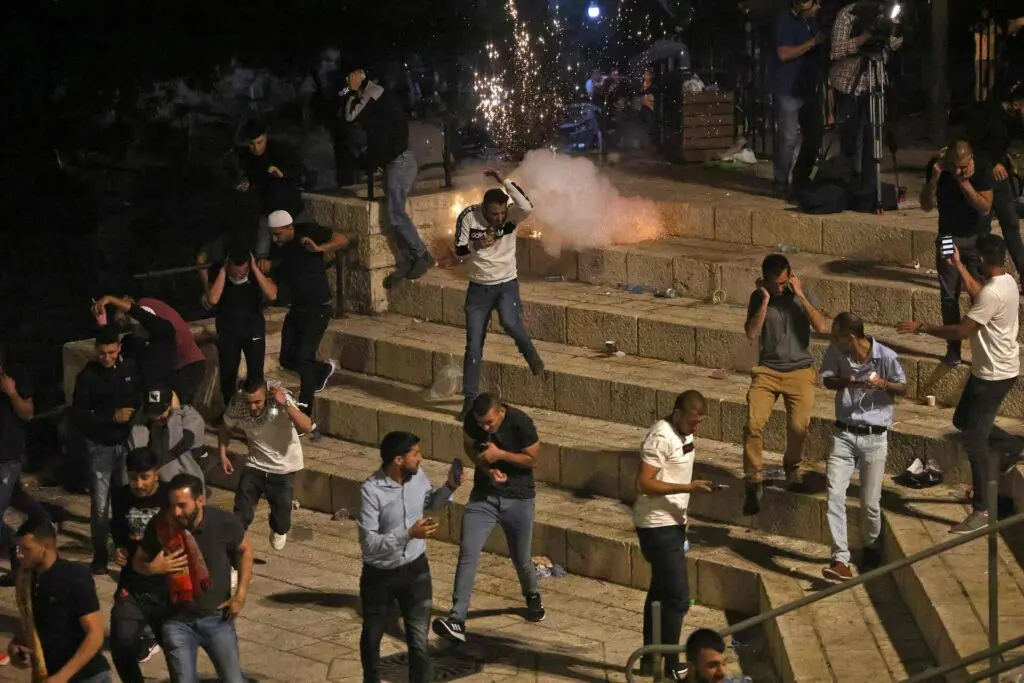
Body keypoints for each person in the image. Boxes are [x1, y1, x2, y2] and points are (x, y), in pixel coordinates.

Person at [898, 235, 1019, 533]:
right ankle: (1009, 445)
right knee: (962, 418)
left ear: (983, 259)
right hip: (990, 371)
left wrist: (923, 327)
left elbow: (963, 330)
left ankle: (982, 511)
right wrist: (959, 267)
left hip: (994, 376)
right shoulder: (1007, 281)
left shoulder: (993, 293)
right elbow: (981, 295)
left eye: (975, 259)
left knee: (974, 441)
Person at [433, 393, 544, 644]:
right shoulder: (474, 422)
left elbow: (533, 459)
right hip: (484, 497)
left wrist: (501, 455)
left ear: (500, 413)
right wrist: (487, 468)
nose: (485, 428)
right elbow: (470, 448)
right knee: (468, 552)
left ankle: (532, 594)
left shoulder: (520, 422)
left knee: (521, 558)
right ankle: (457, 618)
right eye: (481, 423)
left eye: (490, 423)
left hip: (519, 498)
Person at [359, 431, 463, 683]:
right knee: (373, 636)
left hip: (416, 570)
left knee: (418, 640)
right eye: (415, 454)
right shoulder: (371, 491)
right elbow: (369, 544)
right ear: (398, 460)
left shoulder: (418, 478)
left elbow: (430, 501)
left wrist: (450, 486)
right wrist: (408, 534)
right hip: (380, 576)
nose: (421, 458)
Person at [133, 473, 253, 683]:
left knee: (233, 679)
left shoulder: (224, 523)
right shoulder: (161, 526)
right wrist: (153, 568)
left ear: (200, 500)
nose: (176, 512)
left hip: (217, 618)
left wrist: (240, 596)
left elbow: (246, 551)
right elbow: (138, 562)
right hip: (176, 621)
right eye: (172, 506)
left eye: (182, 505)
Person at [633, 390, 716, 681]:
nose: (696, 428)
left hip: (673, 523)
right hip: (656, 526)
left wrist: (683, 511)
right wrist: (687, 488)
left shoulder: (685, 434)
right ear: (678, 414)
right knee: (679, 599)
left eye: (700, 423)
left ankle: (647, 659)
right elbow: (644, 483)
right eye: (693, 422)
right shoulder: (661, 436)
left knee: (659, 593)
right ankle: (670, 664)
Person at [819, 313, 906, 581]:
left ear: (851, 337)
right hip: (843, 433)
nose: (833, 341)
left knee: (870, 503)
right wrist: (848, 380)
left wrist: (882, 383)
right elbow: (827, 380)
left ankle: (871, 546)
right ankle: (839, 559)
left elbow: (902, 387)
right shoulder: (836, 353)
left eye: (837, 336)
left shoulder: (885, 356)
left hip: (874, 436)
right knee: (834, 495)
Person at [453, 168, 544, 420]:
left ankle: (531, 355)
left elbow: (527, 206)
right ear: (484, 209)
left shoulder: (512, 214)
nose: (499, 218)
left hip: (506, 283)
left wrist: (504, 180)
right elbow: (458, 250)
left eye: (502, 213)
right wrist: (476, 245)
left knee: (511, 322)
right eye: (494, 214)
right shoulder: (469, 217)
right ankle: (469, 398)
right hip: (478, 288)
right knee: (473, 344)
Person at [742, 253, 829, 514]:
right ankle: (753, 480)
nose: (781, 288)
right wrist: (766, 300)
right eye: (775, 284)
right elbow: (751, 333)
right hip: (767, 371)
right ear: (765, 282)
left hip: (800, 371)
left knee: (798, 426)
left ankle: (792, 468)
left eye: (784, 282)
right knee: (753, 424)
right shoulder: (759, 298)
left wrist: (800, 296)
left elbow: (821, 326)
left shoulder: (805, 297)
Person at [343, 67, 434, 286]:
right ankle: (409, 260)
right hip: (394, 163)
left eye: (353, 77)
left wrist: (353, 91)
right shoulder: (373, 97)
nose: (350, 80)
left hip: (400, 162)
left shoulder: (374, 94)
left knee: (395, 213)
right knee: (393, 217)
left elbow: (350, 116)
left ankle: (421, 255)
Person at [268, 209, 350, 419]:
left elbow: (342, 240)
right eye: (272, 234)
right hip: (297, 307)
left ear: (290, 228)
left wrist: (319, 248)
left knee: (304, 357)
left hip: (318, 307)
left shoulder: (309, 233)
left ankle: (305, 410)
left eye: (278, 234)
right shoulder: (277, 248)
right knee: (287, 359)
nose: (275, 238)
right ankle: (322, 370)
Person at [919, 141, 995, 366]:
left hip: (976, 237)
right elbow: (925, 206)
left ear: (971, 158)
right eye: (954, 167)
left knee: (981, 295)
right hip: (947, 237)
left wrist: (965, 182)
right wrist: (933, 180)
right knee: (948, 294)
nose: (958, 171)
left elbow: (985, 207)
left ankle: (983, 347)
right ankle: (953, 349)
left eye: (963, 166)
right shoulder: (938, 168)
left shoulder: (981, 168)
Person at [73, 325, 140, 574]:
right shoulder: (87, 376)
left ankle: (124, 550)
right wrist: (112, 416)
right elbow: (79, 415)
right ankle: (100, 553)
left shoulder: (128, 369)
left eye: (111, 352)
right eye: (102, 353)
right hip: (100, 447)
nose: (107, 358)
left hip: (125, 444)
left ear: (119, 348)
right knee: (100, 505)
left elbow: (137, 398)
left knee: (125, 501)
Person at [10, 519, 111, 682]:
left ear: (47, 546)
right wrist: (16, 646)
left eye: (26, 549)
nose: (19, 554)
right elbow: (32, 624)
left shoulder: (74, 576)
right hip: (48, 674)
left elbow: (95, 635)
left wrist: (61, 677)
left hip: (87, 677)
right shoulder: (27, 580)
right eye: (18, 548)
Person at [219, 377, 310, 550]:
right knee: (241, 514)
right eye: (249, 402)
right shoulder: (238, 402)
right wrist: (222, 454)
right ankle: (233, 561)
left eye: (257, 402)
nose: (252, 407)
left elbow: (307, 426)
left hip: (283, 467)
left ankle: (278, 526)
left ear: (265, 396)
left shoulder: (281, 400)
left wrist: (286, 405)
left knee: (281, 522)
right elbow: (225, 427)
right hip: (255, 465)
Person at [828, 1, 903, 192]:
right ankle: (849, 182)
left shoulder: (883, 13)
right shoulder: (848, 14)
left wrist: (892, 29)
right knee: (851, 136)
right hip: (849, 84)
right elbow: (836, 51)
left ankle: (870, 185)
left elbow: (893, 45)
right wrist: (863, 38)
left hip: (874, 80)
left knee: (874, 136)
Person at [109, 447, 170, 683]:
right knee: (121, 647)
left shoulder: (169, 496)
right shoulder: (121, 495)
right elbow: (118, 528)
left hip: (167, 587)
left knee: (177, 651)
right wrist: (119, 549)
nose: (139, 484)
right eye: (133, 477)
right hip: (133, 583)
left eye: (144, 477)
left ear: (156, 473)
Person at [0, 346, 51, 582]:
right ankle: (44, 527)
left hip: (7, 455)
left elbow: (27, 413)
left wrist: (11, 393)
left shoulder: (16, 375)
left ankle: (18, 556)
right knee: (19, 499)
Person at [93, 295, 205, 403]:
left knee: (178, 406)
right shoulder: (135, 343)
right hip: (153, 394)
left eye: (138, 326)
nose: (135, 328)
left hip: (186, 367)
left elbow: (144, 317)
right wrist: (102, 324)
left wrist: (110, 299)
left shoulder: (162, 332)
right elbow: (109, 343)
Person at [202, 249, 277, 407]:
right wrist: (223, 272)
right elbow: (213, 299)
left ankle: (256, 409)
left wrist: (255, 270)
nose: (238, 278)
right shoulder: (219, 272)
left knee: (256, 374)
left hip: (253, 329)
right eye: (234, 275)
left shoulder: (257, 272)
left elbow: (272, 294)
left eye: (242, 275)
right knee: (228, 374)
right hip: (228, 330)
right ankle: (230, 412)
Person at [966, 88, 1024, 283]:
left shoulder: (1010, 120)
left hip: (999, 179)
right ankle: (978, 272)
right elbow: (973, 146)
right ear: (1016, 102)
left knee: (1011, 222)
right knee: (982, 226)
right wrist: (992, 163)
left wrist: (1003, 159)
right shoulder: (989, 114)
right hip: (984, 176)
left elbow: (998, 145)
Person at [772, 0, 825, 195]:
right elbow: (783, 53)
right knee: (788, 137)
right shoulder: (785, 19)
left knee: (814, 134)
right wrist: (813, 42)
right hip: (788, 87)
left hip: (807, 87)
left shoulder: (809, 20)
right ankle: (781, 180)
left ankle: (801, 177)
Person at [235, 118, 305, 261]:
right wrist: (245, 183)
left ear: (265, 138)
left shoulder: (280, 150)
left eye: (259, 143)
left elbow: (299, 170)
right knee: (262, 253)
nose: (256, 148)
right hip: (266, 210)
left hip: (288, 207)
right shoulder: (247, 157)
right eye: (252, 144)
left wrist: (282, 173)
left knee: (295, 249)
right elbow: (251, 177)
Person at [129, 385, 207, 485]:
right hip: (160, 487)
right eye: (152, 412)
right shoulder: (151, 421)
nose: (156, 417)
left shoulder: (192, 419)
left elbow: (175, 445)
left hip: (187, 487)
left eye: (160, 412)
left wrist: (175, 413)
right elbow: (137, 448)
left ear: (171, 405)